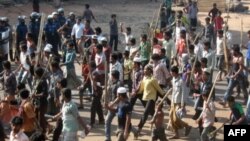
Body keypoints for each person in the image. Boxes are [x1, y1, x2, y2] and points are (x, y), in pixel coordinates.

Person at [136, 64, 165, 134]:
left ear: (149, 70)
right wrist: (135, 92)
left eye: (145, 69)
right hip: (145, 98)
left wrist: (166, 98)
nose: (144, 70)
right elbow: (141, 89)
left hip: (151, 99)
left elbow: (159, 89)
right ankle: (160, 129)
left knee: (145, 113)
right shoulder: (144, 78)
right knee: (152, 114)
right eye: (144, 69)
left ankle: (139, 129)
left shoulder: (153, 80)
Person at [169, 66, 192, 139]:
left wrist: (182, 104)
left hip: (179, 102)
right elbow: (173, 91)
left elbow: (183, 93)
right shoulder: (173, 79)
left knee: (176, 119)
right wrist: (171, 102)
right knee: (171, 117)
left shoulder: (181, 81)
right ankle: (176, 134)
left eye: (171, 72)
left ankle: (187, 126)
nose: (170, 73)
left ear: (174, 72)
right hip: (173, 101)